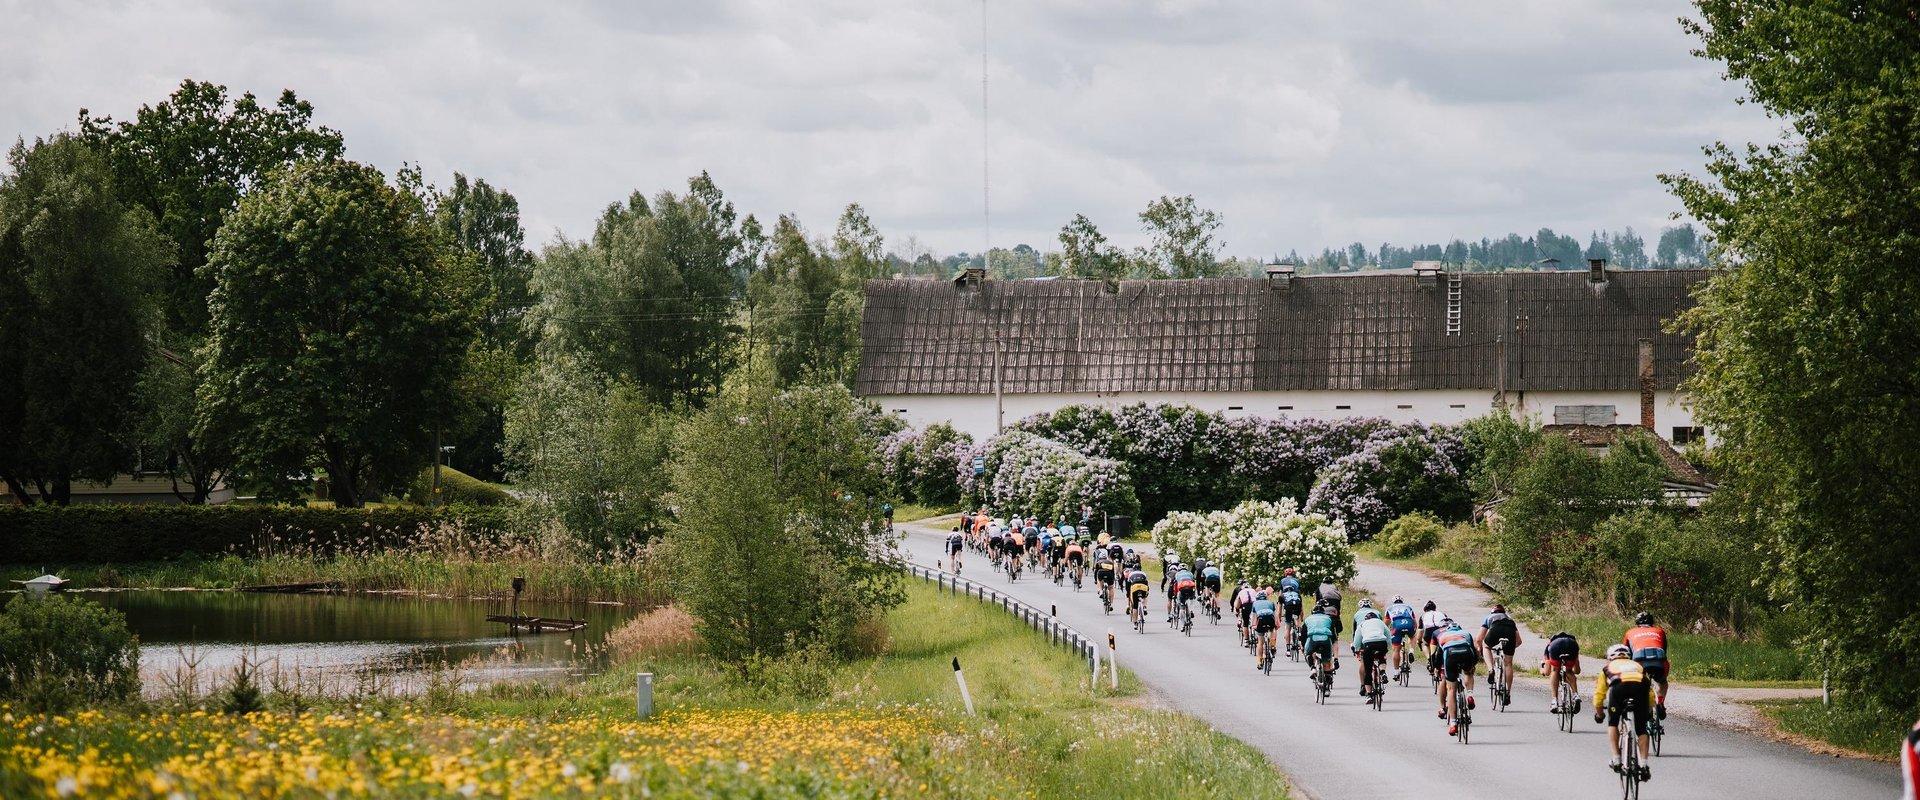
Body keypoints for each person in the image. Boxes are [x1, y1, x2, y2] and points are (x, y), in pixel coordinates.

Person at [1595, 644, 1654, 782]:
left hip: (1619, 688)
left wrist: (1599, 714)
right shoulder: (1638, 666)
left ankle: (1616, 759)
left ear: (1610, 658)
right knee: (1642, 729)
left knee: (1613, 723)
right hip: (1640, 688)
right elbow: (1650, 693)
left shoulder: (1607, 668)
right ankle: (1644, 764)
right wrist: (1649, 709)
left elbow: (1599, 694)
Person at [1434, 618, 1478, 736]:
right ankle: (1469, 695)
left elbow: (1438, 657)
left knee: (1451, 689)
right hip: (1466, 653)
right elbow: (1474, 651)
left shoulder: (1442, 636)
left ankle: (1453, 724)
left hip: (1450, 655)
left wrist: (1437, 668)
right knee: (1469, 673)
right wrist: (1473, 665)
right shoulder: (1466, 634)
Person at [1623, 612, 1671, 718]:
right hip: (1658, 657)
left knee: (1636, 681)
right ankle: (1660, 702)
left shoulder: (1630, 632)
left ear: (1637, 623)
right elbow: (1664, 649)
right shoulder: (1659, 631)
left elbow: (1625, 653)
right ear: (1652, 622)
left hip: (1639, 658)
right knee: (1662, 682)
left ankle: (1638, 702)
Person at [1480, 603, 1522, 700]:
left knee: (1486, 647)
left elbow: (1479, 638)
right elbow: (1519, 641)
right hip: (1509, 632)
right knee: (1508, 664)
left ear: (1492, 612)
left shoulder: (1489, 617)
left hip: (1495, 629)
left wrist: (1479, 648)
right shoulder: (1510, 619)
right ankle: (1507, 692)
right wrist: (1510, 648)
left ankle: (1491, 670)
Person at [1352, 604, 1393, 698]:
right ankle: (1382, 672)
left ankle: (1369, 694)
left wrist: (1356, 649)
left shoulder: (1362, 624)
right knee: (1382, 658)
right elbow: (1388, 635)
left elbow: (1357, 639)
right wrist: (1388, 647)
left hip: (1368, 644)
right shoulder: (1380, 622)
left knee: (1368, 669)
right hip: (1381, 642)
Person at [1543, 630, 1582, 714]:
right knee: (1569, 671)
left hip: (1555, 647)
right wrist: (1570, 671)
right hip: (1571, 646)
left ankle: (1554, 701)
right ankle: (1575, 694)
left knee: (1555, 670)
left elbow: (1547, 672)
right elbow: (1577, 670)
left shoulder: (1549, 646)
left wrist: (1542, 671)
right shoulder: (1573, 642)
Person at [1302, 603, 1338, 688]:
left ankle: (1313, 668)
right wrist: (1335, 658)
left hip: (1313, 639)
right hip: (1326, 639)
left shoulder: (1308, 619)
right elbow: (1334, 637)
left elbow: (1303, 636)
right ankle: (1327, 686)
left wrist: (1303, 647)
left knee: (1307, 653)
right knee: (1327, 661)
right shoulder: (1329, 619)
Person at [1386, 595, 1418, 673]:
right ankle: (1411, 650)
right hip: (1409, 624)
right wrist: (1414, 630)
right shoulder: (1408, 607)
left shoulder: (1389, 608)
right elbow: (1414, 622)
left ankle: (1396, 672)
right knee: (1413, 636)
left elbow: (1385, 623)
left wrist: (1388, 631)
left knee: (1396, 649)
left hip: (1397, 626)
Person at [1251, 590, 1280, 669]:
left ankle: (1259, 661)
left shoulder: (1255, 603)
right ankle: (1273, 645)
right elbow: (1275, 615)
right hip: (1270, 618)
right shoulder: (1270, 603)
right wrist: (1277, 625)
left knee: (1260, 642)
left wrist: (1253, 626)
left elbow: (1254, 617)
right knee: (1272, 630)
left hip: (1260, 619)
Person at [1279, 569, 1305, 652]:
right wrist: (1302, 617)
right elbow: (1301, 605)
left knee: (1287, 627)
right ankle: (1299, 632)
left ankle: (1288, 648)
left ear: (1285, 574)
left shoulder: (1282, 581)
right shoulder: (1296, 580)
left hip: (1287, 603)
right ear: (1293, 574)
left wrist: (1279, 617)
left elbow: (1280, 592)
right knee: (1297, 619)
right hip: (1296, 601)